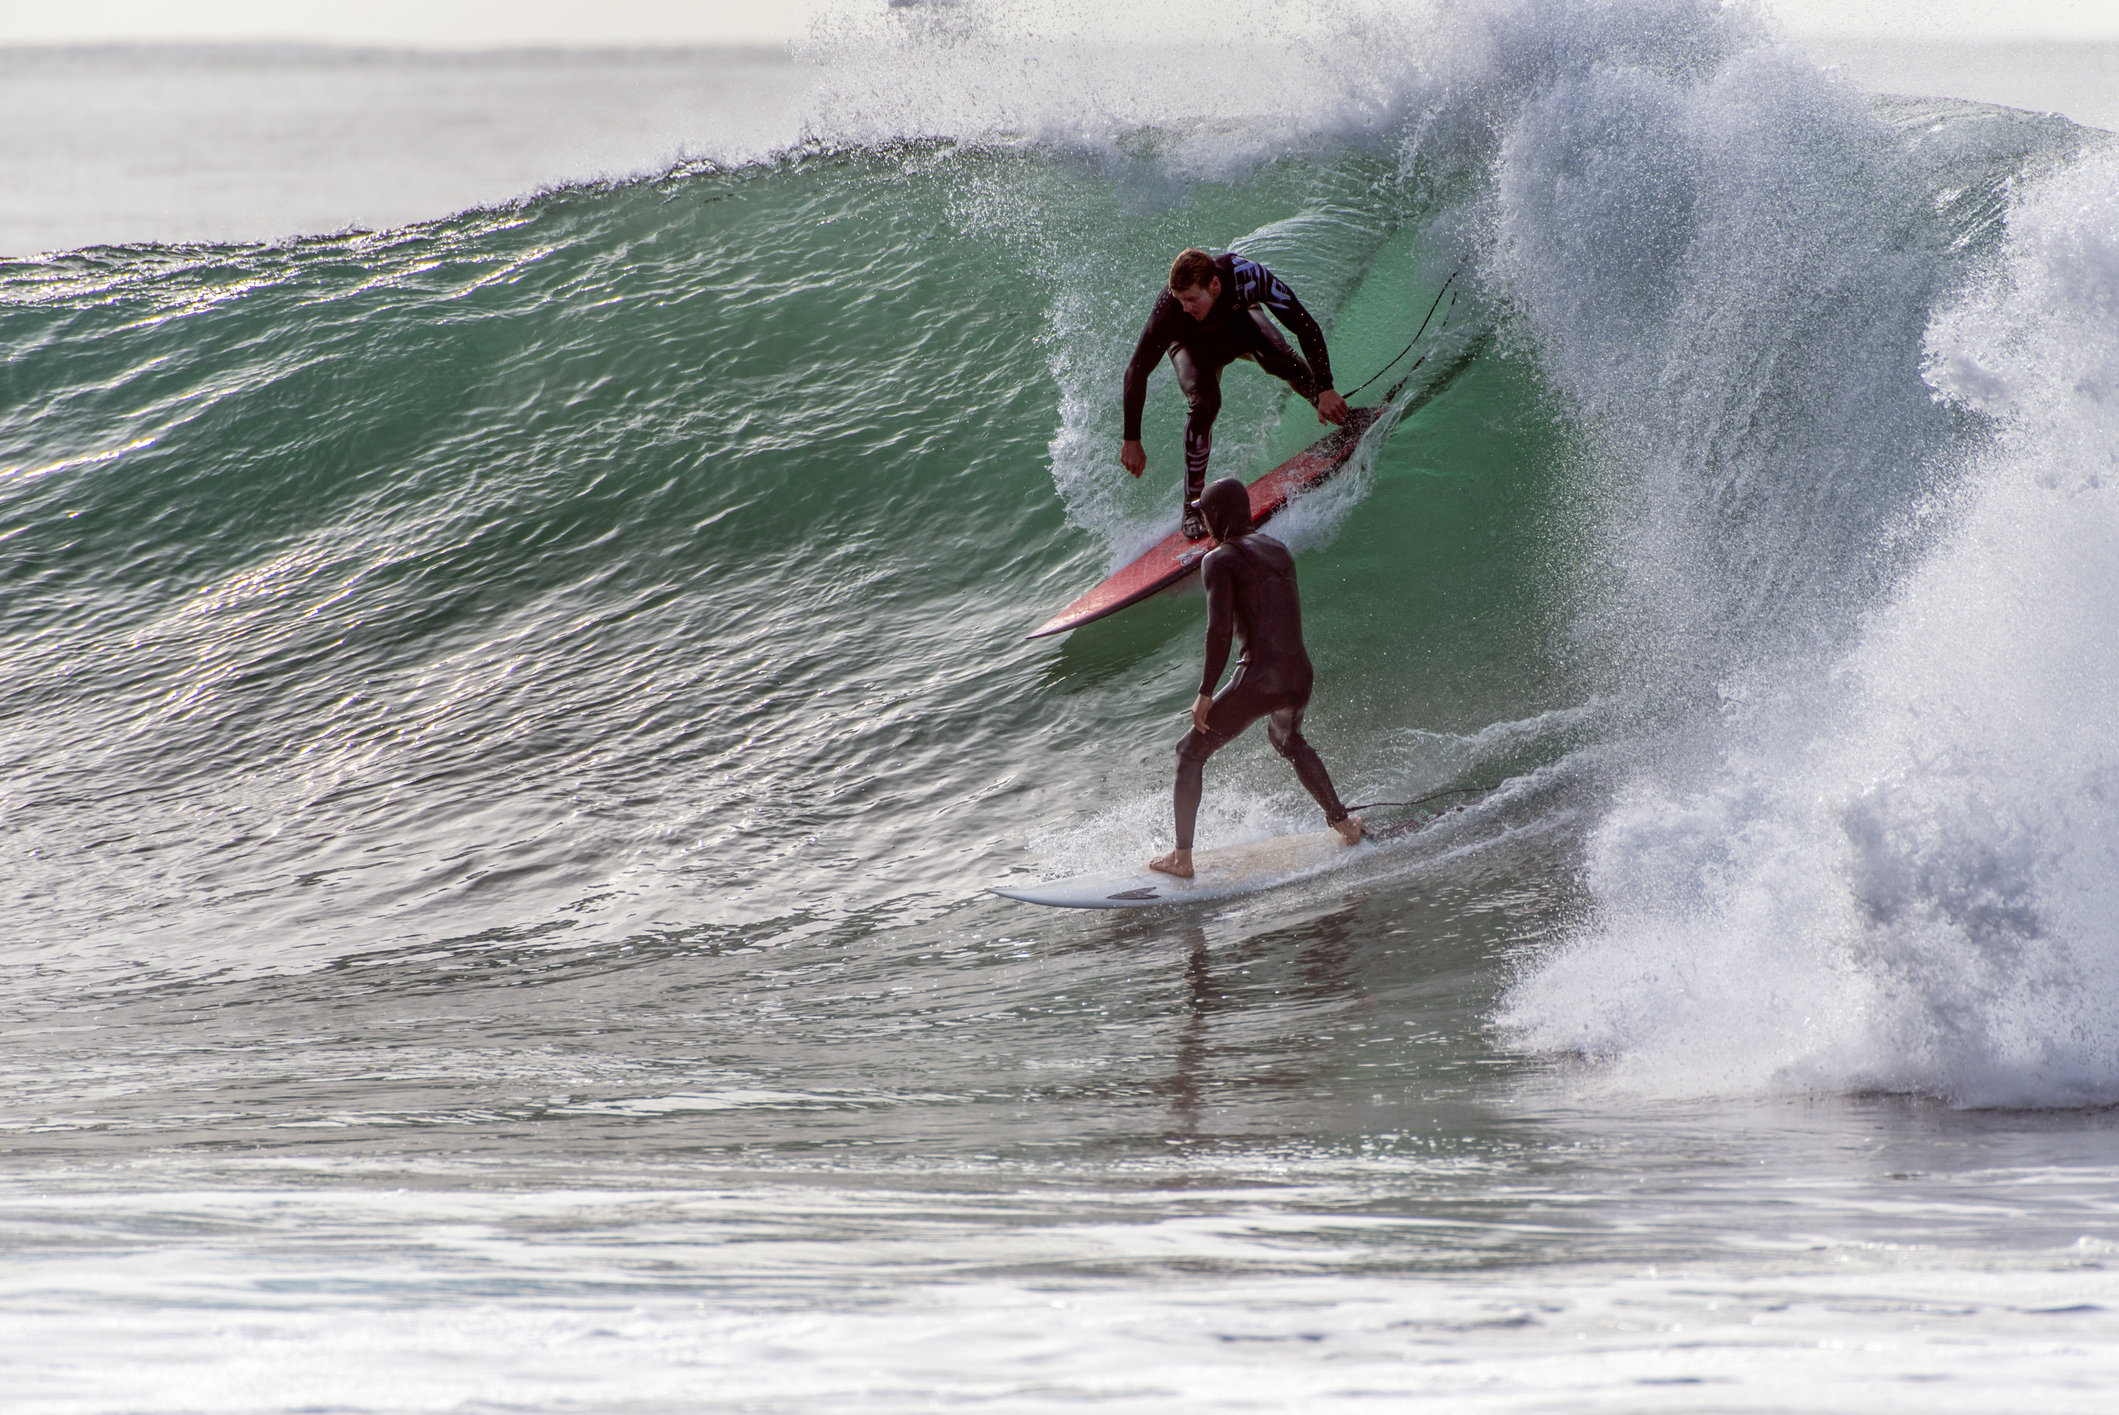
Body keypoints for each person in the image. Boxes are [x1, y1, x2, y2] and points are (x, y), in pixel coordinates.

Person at [1150, 478, 1362, 878]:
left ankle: (1181, 858)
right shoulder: (1277, 548)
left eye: (1206, 513)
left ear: (1217, 516)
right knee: (1287, 740)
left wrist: (1205, 693)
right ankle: (1344, 824)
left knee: (1188, 752)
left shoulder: (1218, 560)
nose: (1204, 522)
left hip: (1260, 677)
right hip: (1299, 674)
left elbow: (1219, 632)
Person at [1121, 248, 1349, 539]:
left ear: (1214, 285)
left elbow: (1303, 323)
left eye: (1192, 299)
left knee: (1282, 360)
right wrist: (1131, 439)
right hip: (1193, 349)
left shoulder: (1247, 276)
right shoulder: (1170, 309)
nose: (1185, 308)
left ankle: (1337, 413)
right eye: (1180, 300)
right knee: (1205, 403)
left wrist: (1325, 387)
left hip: (1241, 328)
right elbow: (1136, 371)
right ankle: (1193, 508)